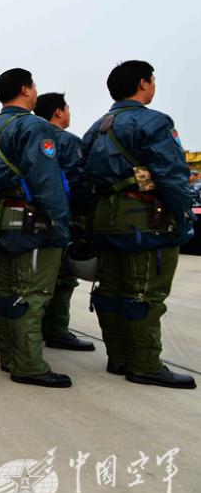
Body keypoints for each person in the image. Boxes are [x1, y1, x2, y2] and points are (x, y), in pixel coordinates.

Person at [81, 60, 196, 388]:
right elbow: (172, 175)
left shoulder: (96, 127)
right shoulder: (154, 122)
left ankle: (118, 357)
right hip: (145, 219)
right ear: (144, 83)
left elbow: (82, 177)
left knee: (111, 291)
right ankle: (145, 363)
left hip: (107, 220)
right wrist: (182, 214)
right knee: (144, 293)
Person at [0, 68, 71, 388]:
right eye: (34, 86)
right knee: (31, 296)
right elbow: (46, 181)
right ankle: (29, 364)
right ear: (25, 89)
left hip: (4, 218)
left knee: (7, 292)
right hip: (32, 221)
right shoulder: (33, 126)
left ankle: (10, 354)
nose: (36, 91)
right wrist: (60, 224)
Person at [31, 93, 95, 352]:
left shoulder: (29, 138)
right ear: (58, 112)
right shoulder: (68, 142)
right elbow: (79, 181)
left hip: (31, 217)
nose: (69, 113)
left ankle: (34, 330)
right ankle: (56, 329)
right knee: (64, 276)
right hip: (65, 216)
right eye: (67, 108)